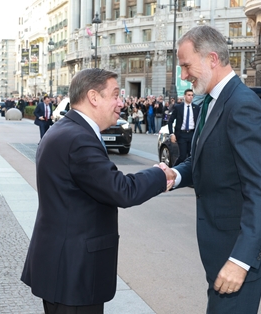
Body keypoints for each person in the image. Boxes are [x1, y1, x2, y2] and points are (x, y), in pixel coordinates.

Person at [21, 68, 175, 314]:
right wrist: (159, 174)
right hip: (74, 272)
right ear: (93, 97)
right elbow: (121, 190)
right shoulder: (78, 138)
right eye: (115, 95)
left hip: (63, 266)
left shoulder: (65, 129)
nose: (121, 103)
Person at [169, 25, 261, 313]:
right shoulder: (211, 101)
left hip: (237, 255)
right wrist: (177, 174)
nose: (183, 76)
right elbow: (205, 160)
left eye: (186, 66)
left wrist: (241, 260)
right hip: (221, 250)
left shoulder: (242, 104)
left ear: (211, 59)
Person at [168, 89, 200, 166]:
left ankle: (188, 174)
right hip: (181, 134)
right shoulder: (178, 107)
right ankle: (174, 170)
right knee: (182, 156)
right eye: (189, 95)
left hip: (192, 134)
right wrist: (172, 134)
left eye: (192, 95)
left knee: (191, 156)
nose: (190, 97)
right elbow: (170, 121)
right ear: (184, 96)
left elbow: (199, 122)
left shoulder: (196, 108)